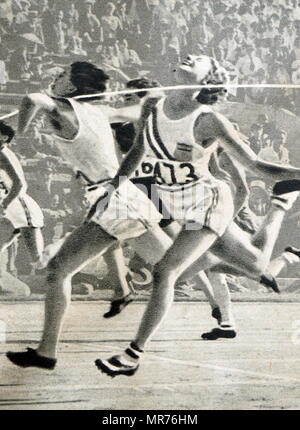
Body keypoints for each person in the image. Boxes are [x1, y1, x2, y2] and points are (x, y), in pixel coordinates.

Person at [95, 54, 300, 376]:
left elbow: (255, 166)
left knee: (165, 270)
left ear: (208, 80)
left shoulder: (209, 120)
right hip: (175, 201)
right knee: (258, 265)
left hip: (208, 201)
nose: (190, 56)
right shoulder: (152, 105)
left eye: (200, 59)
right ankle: (281, 206)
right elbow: (137, 151)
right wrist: (114, 188)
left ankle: (132, 354)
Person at [6, 61, 172, 369]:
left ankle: (47, 352)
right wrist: (153, 98)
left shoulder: (61, 109)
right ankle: (246, 264)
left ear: (74, 86)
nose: (56, 79)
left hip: (113, 200)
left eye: (62, 76)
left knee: (58, 269)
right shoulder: (100, 112)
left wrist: (17, 131)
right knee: (175, 264)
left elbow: (32, 99)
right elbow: (139, 111)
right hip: (121, 197)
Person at [0, 121, 44, 273]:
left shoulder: (3, 154)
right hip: (9, 208)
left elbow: (18, 184)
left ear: (4, 138)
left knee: (38, 259)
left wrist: (4, 204)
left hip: (20, 206)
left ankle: (71, 278)